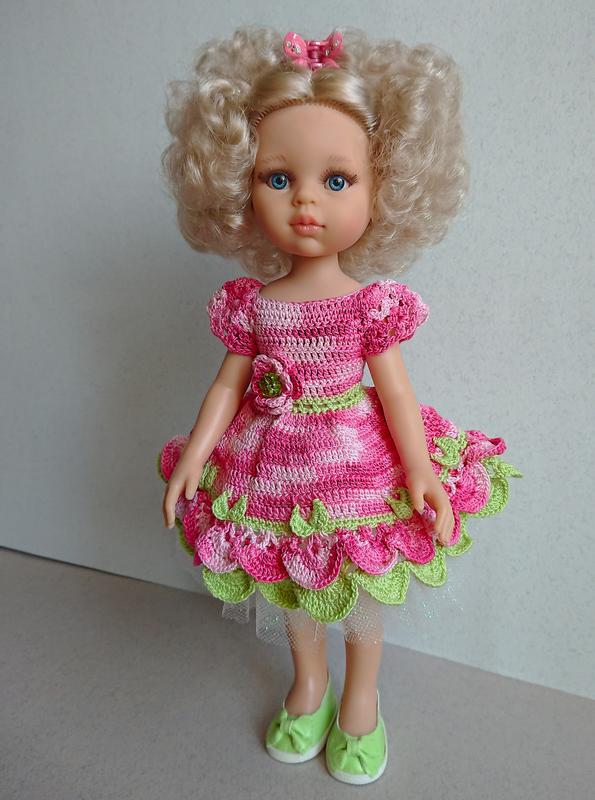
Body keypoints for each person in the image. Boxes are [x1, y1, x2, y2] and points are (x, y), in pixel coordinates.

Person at [157, 26, 522, 785]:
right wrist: (196, 451)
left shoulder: (367, 306)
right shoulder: (254, 304)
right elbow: (228, 384)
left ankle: (361, 698)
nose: (305, 203)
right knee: (294, 584)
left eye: (336, 180)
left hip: (355, 466)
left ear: (383, 187)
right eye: (277, 178)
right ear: (237, 184)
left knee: (355, 595)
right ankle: (310, 684)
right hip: (271, 468)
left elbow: (395, 390)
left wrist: (418, 469)